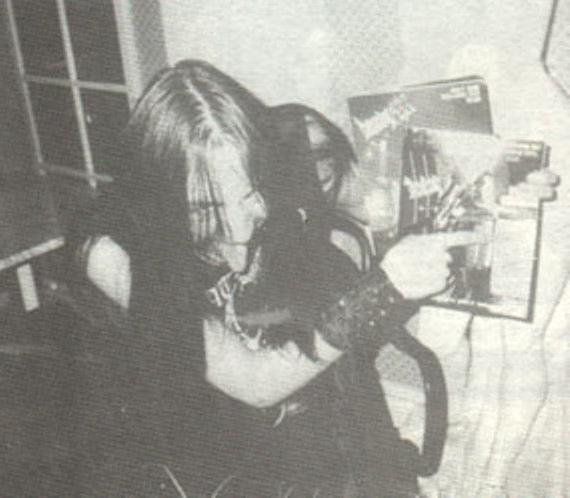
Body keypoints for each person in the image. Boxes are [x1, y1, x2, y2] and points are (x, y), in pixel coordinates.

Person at [66, 60, 486, 496]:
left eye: (251, 194)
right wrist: (381, 291)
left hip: (320, 429)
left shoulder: (276, 161)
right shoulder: (109, 250)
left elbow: (377, 201)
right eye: (206, 209)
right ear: (159, 197)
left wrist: (477, 199)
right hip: (215, 458)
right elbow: (252, 382)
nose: (240, 230)